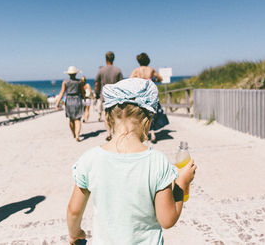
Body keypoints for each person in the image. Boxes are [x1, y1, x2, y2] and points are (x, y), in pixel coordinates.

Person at [67, 78, 197, 245]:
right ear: (149, 120)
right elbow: (167, 219)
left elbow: (73, 211)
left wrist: (75, 233)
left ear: (108, 118)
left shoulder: (90, 159)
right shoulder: (157, 162)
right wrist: (181, 183)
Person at [130, 52, 169, 143]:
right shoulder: (151, 70)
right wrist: (154, 80)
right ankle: (152, 133)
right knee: (152, 113)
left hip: (141, 94)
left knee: (142, 113)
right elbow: (160, 79)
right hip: (151, 93)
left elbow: (130, 79)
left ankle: (143, 134)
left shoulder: (137, 70)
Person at [94, 51, 123, 141]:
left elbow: (96, 83)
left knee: (107, 114)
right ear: (113, 58)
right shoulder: (118, 70)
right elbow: (121, 84)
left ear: (106, 59)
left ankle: (108, 133)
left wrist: (97, 93)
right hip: (115, 96)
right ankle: (115, 131)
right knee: (115, 115)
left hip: (105, 95)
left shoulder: (101, 70)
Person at [56, 66, 85, 142]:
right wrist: (84, 98)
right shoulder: (79, 82)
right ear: (76, 73)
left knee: (71, 119)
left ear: (68, 74)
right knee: (78, 119)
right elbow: (82, 92)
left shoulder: (65, 82)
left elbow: (61, 93)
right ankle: (77, 136)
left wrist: (57, 103)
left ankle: (74, 134)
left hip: (69, 101)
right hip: (77, 100)